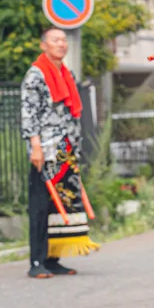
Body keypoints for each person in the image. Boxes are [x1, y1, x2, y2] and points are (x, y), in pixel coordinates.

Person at [21, 27, 99, 278]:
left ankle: (53, 258)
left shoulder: (66, 73)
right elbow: (28, 113)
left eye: (64, 40)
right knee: (40, 205)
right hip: (45, 149)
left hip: (65, 149)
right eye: (55, 40)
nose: (61, 44)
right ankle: (36, 261)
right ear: (43, 45)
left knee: (61, 203)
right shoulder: (36, 74)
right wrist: (35, 146)